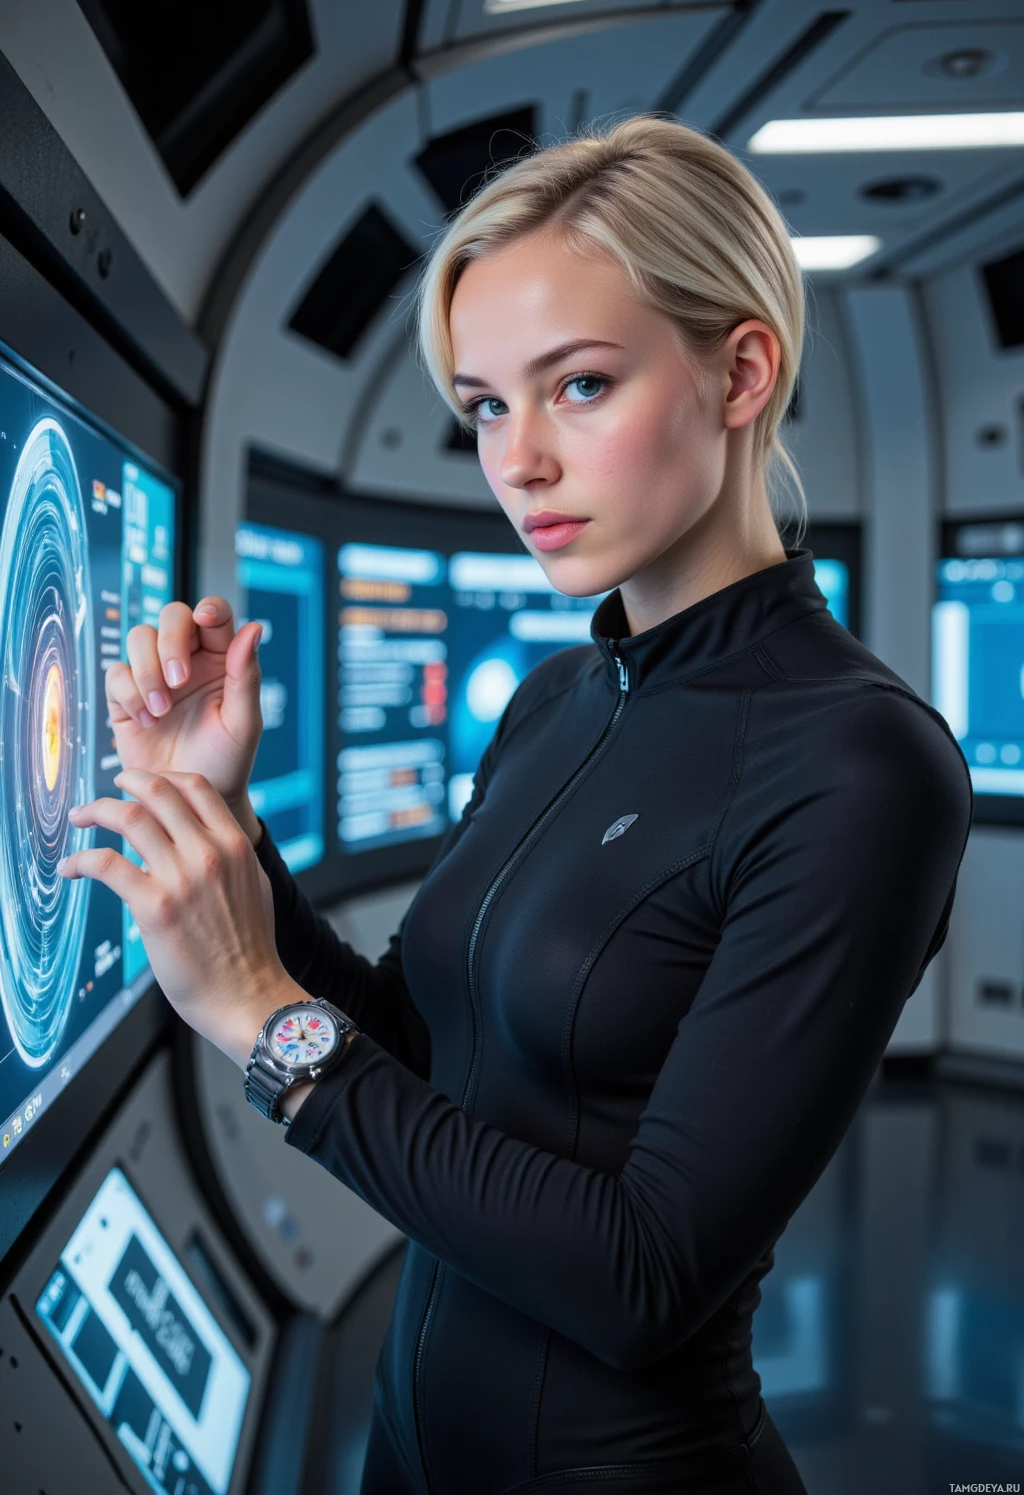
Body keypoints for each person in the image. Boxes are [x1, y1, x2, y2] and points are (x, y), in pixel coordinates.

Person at [61, 116, 973, 1494]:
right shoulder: (556, 698)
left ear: (741, 372)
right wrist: (221, 816)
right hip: (411, 1450)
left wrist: (257, 1018)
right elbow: (434, 1062)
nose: (517, 462)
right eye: (488, 404)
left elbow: (645, 1275)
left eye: (582, 386)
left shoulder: (861, 765)